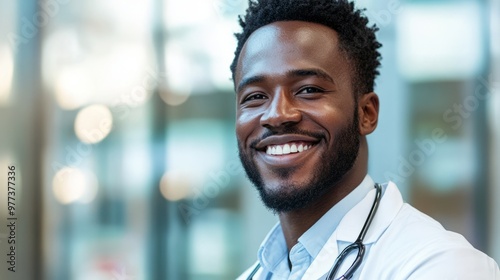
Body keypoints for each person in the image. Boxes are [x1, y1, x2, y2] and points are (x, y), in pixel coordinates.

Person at [230, 0, 500, 279]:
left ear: (367, 113)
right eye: (255, 97)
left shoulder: (441, 265)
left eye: (308, 89)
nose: (277, 115)